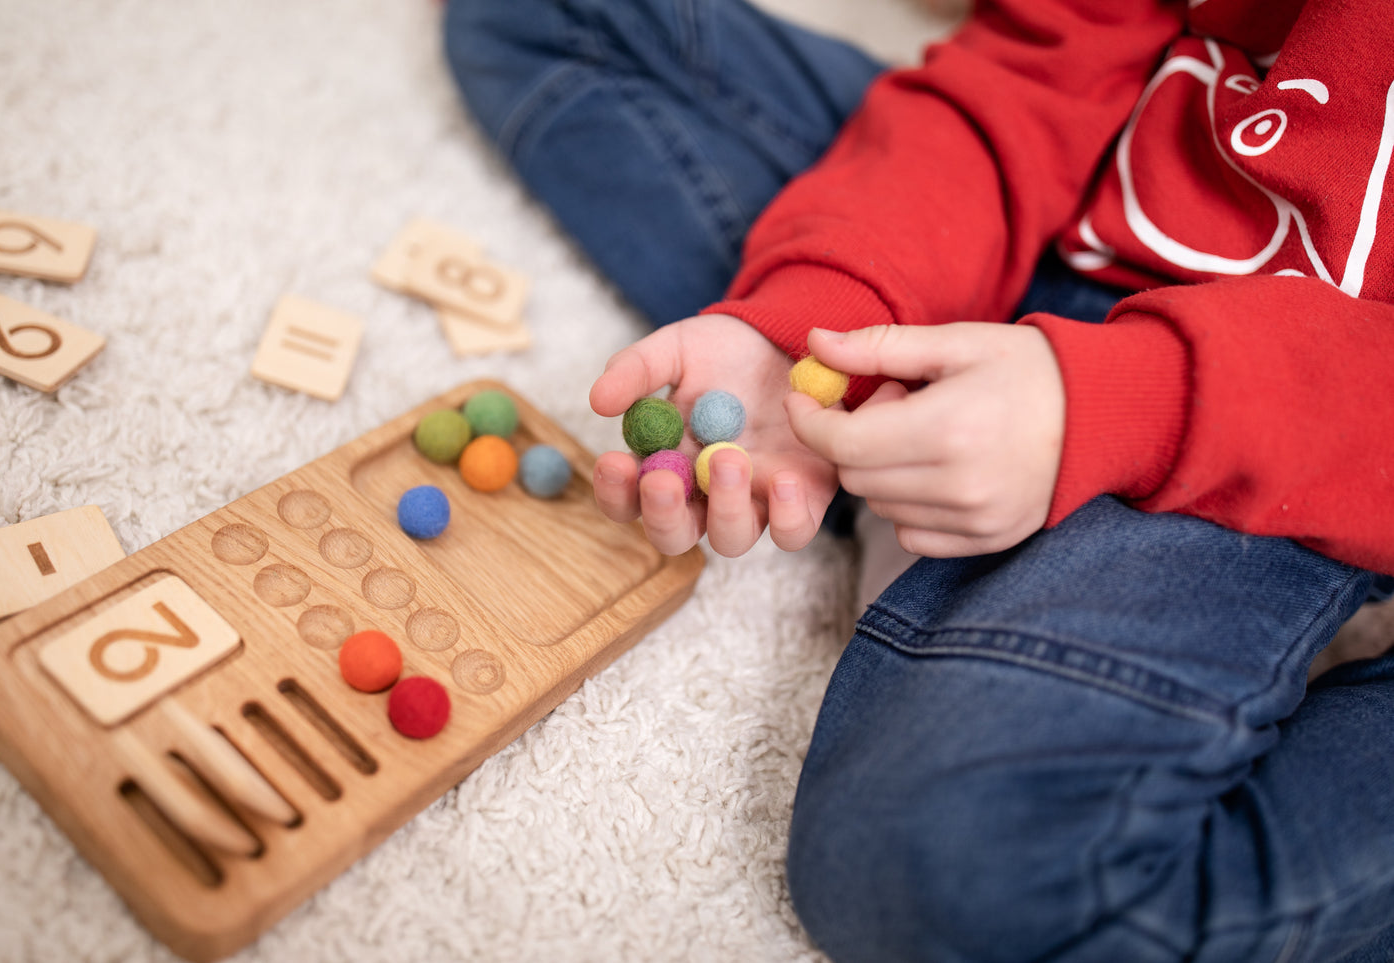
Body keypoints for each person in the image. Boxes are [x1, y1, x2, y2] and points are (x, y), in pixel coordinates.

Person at [443, 1, 1394, 959]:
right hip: (1095, 202)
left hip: (1295, 414)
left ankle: (939, 478)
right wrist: (822, 309)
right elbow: (1038, 68)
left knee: (950, 875)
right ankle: (914, 455)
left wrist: (1122, 408)